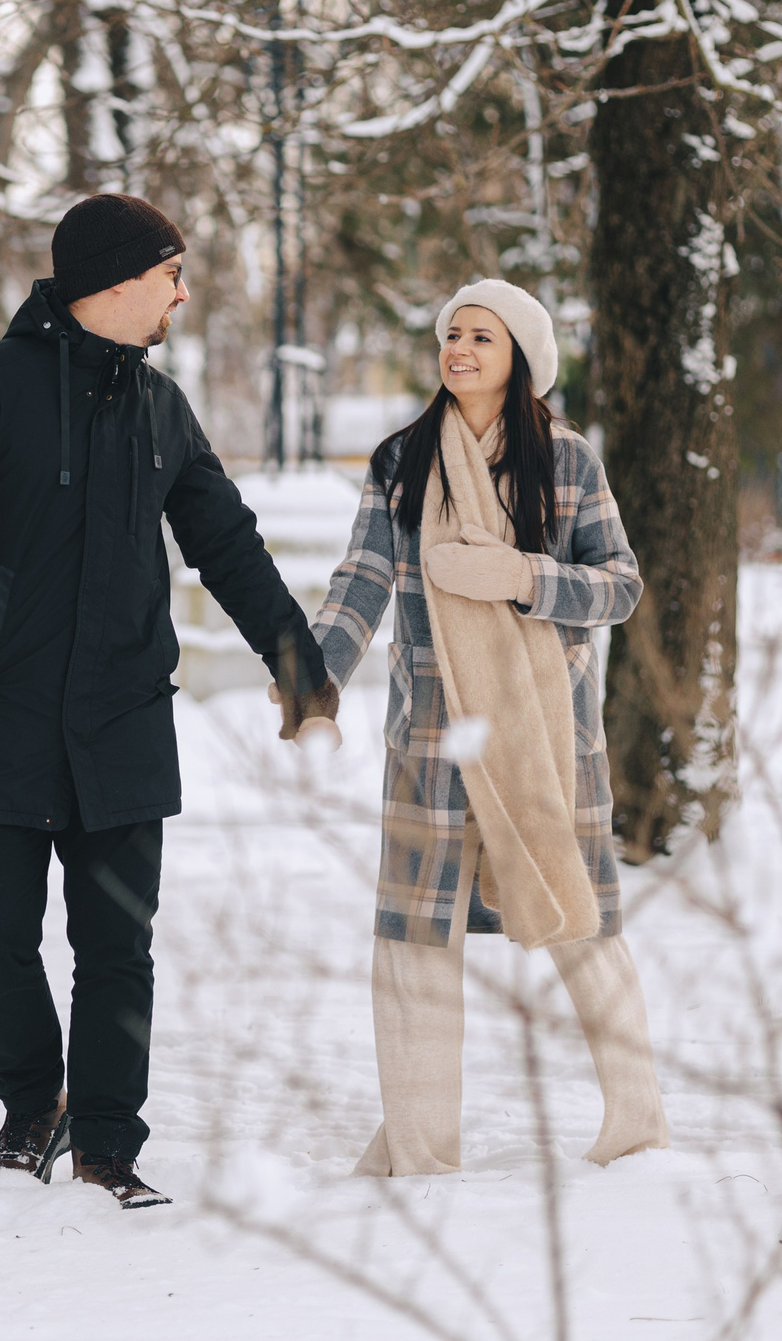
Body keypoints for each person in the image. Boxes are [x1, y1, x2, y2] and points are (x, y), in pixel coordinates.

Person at [0, 193, 339, 1210]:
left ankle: (107, 1143)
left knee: (117, 946)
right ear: (117, 279)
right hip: (0, 712)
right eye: (171, 272)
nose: (182, 291)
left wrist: (294, 661)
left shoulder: (161, 407)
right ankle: (35, 1096)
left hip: (124, 714)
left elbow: (226, 543)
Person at [306, 278, 670, 1174]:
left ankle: (638, 1131)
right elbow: (361, 580)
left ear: (521, 359)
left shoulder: (570, 462)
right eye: (452, 335)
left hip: (546, 740)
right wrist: (313, 680)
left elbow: (619, 587)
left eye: (482, 337)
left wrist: (520, 576)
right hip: (431, 740)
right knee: (414, 942)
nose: (459, 350)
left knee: (584, 930)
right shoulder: (402, 460)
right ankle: (421, 1150)